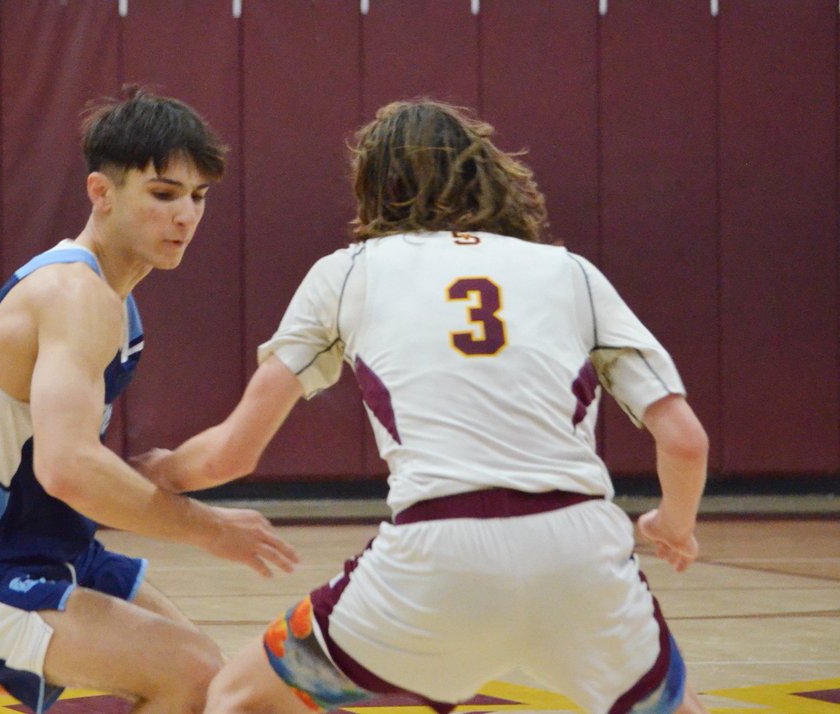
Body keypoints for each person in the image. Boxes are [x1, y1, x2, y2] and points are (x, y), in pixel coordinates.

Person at [134, 99, 709, 714]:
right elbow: (683, 440)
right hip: (581, 557)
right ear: (488, 173)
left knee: (236, 698)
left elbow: (230, 455)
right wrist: (671, 525)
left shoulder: (348, 273)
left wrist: (155, 472)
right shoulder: (572, 273)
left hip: (434, 561)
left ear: (374, 186)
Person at [0, 87, 298, 714]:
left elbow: (49, 464)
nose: (186, 215)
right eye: (163, 194)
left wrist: (145, 477)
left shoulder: (116, 305)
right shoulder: (75, 294)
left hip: (47, 548)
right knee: (187, 673)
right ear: (102, 193)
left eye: (198, 196)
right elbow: (68, 469)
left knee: (212, 686)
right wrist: (209, 529)